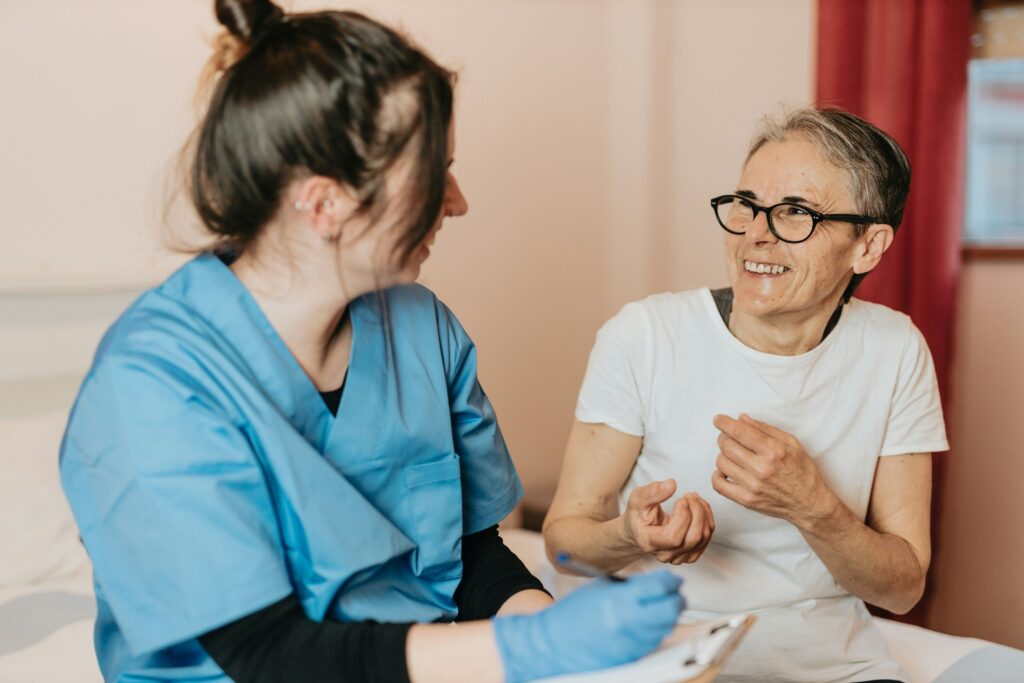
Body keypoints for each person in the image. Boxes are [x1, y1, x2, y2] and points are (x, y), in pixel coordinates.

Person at [58, 2, 685, 681]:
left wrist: (557, 633)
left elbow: (470, 557)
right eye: (431, 174)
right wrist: (530, 650)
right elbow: (268, 654)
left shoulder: (424, 331)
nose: (458, 200)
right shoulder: (154, 382)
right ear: (324, 203)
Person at [543, 107, 948, 683]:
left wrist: (812, 505)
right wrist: (628, 536)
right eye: (747, 205)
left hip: (833, 667)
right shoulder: (645, 336)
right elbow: (562, 547)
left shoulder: (895, 349)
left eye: (796, 213)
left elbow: (904, 587)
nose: (756, 234)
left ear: (868, 246)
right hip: (664, 654)